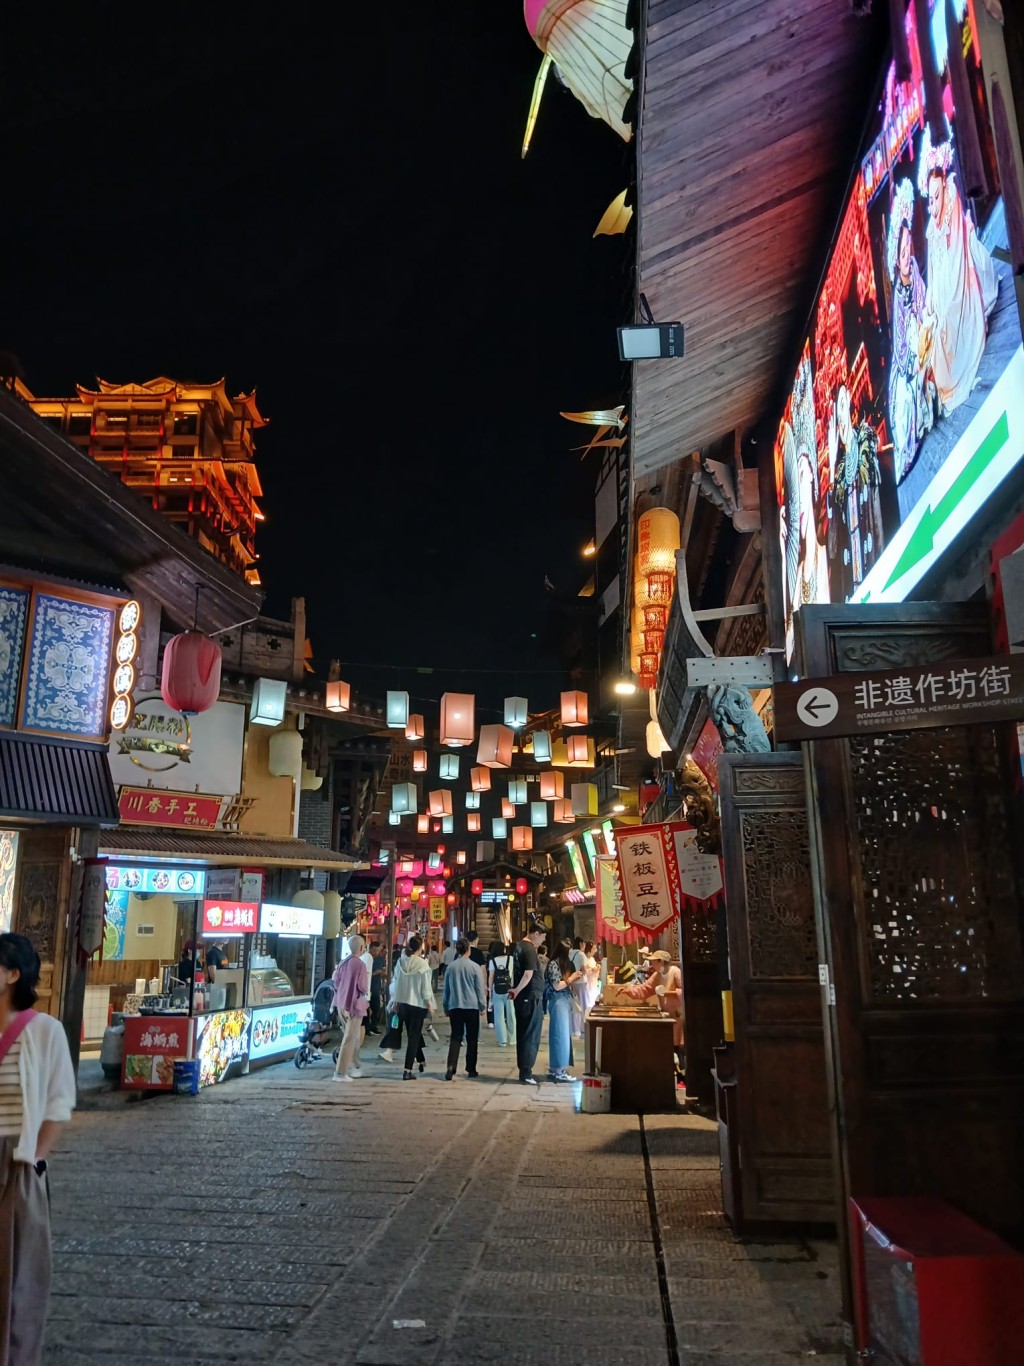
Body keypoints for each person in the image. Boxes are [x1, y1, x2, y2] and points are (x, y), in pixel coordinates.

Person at [0, 933, 76, 1365]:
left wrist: (34, 1159)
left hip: (17, 1161)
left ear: (13, 975)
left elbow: (59, 1102)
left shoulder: (45, 1030)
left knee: (20, 1277)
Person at [919, 131, 998, 416]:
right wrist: (932, 304)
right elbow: (935, 269)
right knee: (936, 322)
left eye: (936, 197)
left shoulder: (951, 194)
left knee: (952, 311)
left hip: (959, 265)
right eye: (930, 199)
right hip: (944, 276)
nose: (933, 205)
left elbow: (955, 258)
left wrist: (944, 303)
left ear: (944, 187)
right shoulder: (932, 226)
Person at [886, 177, 934, 483]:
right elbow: (900, 345)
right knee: (904, 405)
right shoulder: (896, 299)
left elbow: (923, 302)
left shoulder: (915, 271)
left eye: (907, 249)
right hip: (904, 364)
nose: (907, 257)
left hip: (922, 341)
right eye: (902, 254)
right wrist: (912, 361)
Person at [624, 950, 685, 1082]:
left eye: (654, 962)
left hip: (678, 1015)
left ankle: (683, 1078)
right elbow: (645, 989)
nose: (652, 965)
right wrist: (628, 991)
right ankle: (673, 1077)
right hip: (666, 1015)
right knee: (670, 1046)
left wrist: (668, 993)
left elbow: (684, 991)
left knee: (679, 1046)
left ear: (661, 962)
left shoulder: (675, 972)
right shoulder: (657, 975)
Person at [391, 935, 436, 1080]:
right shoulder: (423, 964)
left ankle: (421, 1060)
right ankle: (407, 1070)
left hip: (403, 1003)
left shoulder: (400, 962)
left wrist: (395, 1001)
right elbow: (425, 988)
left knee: (413, 1034)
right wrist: (429, 1004)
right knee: (414, 1036)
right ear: (420, 947)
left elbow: (396, 982)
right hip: (417, 1004)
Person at [509, 918, 547, 1086]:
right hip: (530, 996)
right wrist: (517, 990)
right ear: (536, 934)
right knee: (530, 1034)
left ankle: (524, 1070)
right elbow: (528, 974)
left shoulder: (519, 946)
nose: (543, 941)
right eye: (543, 937)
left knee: (524, 1033)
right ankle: (526, 1071)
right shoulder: (529, 949)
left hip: (524, 996)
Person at [442, 939, 486, 1081]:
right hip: (471, 1007)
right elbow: (479, 989)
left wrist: (445, 1006)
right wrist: (482, 1006)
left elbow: (446, 989)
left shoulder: (451, 967)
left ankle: (451, 1066)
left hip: (455, 1006)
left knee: (456, 1037)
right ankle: (471, 1068)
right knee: (472, 1039)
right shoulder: (474, 967)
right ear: (468, 950)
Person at [331, 934, 369, 1081]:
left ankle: (354, 1065)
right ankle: (340, 1072)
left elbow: (335, 981)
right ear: (361, 947)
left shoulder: (343, 962)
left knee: (350, 1037)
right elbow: (363, 987)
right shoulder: (360, 965)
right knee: (350, 1039)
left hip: (341, 1002)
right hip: (354, 1005)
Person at [545, 939, 582, 1082]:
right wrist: (570, 979)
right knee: (560, 1035)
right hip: (558, 1001)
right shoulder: (554, 964)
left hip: (564, 1001)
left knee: (562, 1035)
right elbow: (556, 986)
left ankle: (557, 1068)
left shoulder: (561, 964)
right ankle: (559, 1070)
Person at [487, 939, 516, 1049]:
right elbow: (513, 974)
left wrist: (489, 991)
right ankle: (512, 1039)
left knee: (498, 1016)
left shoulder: (492, 961)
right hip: (509, 989)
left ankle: (502, 1040)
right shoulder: (511, 959)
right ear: (504, 949)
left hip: (497, 989)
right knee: (511, 1014)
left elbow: (491, 977)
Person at [569, 937, 587, 1038]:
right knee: (583, 1005)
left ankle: (574, 1029)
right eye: (584, 944)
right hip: (580, 982)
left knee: (574, 1005)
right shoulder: (581, 954)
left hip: (571, 982)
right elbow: (584, 970)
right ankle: (582, 1028)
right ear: (581, 944)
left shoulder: (570, 953)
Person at [359, 940, 377, 1037]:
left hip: (360, 991)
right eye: (375, 950)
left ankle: (364, 1031)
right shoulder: (368, 957)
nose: (376, 953)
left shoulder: (362, 957)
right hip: (363, 991)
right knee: (364, 1014)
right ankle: (365, 1031)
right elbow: (365, 974)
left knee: (363, 1014)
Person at [368, 944, 386, 1034]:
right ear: (370, 949)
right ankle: (366, 1028)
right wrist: (374, 973)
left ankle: (373, 1026)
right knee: (365, 1009)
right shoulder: (366, 958)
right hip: (366, 987)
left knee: (376, 1008)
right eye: (374, 950)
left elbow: (384, 971)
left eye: (378, 951)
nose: (376, 952)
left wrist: (381, 972)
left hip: (376, 987)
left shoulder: (380, 959)